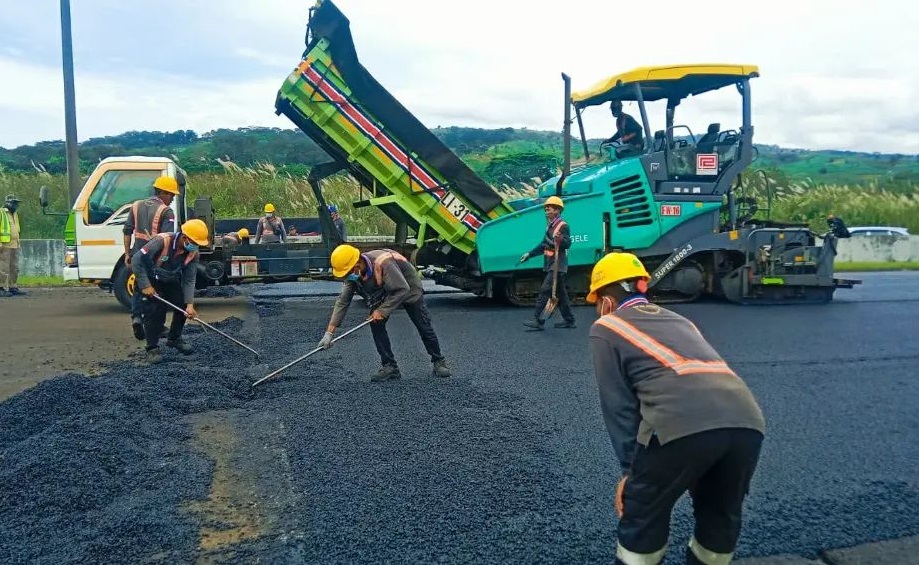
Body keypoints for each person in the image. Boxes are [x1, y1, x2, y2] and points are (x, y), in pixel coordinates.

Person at [586, 251, 766, 565]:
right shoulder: (681, 320)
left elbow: (619, 407)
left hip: (679, 424)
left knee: (643, 516)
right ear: (642, 284)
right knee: (719, 515)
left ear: (605, 300)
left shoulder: (607, 326)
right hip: (746, 422)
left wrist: (631, 473)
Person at [318, 243, 451, 382]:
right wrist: (329, 333)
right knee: (376, 323)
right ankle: (390, 367)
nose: (347, 276)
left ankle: (438, 361)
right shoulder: (353, 275)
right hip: (383, 289)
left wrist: (382, 310)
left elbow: (402, 289)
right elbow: (342, 302)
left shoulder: (383, 262)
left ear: (357, 262)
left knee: (423, 324)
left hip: (408, 286)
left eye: (348, 272)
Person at [131, 219, 210, 364]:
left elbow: (189, 280)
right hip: (150, 278)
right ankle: (152, 348)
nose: (195, 246)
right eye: (194, 242)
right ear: (184, 237)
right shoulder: (162, 241)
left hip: (169, 278)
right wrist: (145, 284)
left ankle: (174, 338)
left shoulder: (193, 253)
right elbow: (136, 260)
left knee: (182, 306)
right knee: (155, 311)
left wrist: (190, 304)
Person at [123, 176, 178, 339]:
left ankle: (137, 318)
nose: (173, 198)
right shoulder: (166, 212)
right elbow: (166, 238)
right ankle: (156, 326)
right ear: (163, 193)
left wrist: (127, 253)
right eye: (171, 195)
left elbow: (127, 231)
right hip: (153, 258)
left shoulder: (136, 205)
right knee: (156, 291)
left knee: (140, 287)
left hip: (136, 254)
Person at [519, 195, 576, 330]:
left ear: (557, 210)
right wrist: (529, 254)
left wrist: (560, 239)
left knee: (545, 290)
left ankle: (538, 321)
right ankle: (569, 320)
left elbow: (568, 244)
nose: (546, 211)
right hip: (551, 263)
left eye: (548, 209)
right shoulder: (549, 227)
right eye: (545, 209)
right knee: (561, 294)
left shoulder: (563, 226)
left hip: (558, 265)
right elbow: (544, 244)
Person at [0, 194, 25, 297]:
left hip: (15, 244)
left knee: (14, 267)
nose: (16, 205)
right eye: (14, 203)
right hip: (5, 245)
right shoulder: (1, 212)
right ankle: (1, 287)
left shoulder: (15, 214)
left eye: (17, 203)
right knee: (3, 267)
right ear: (8, 203)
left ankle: (12, 286)